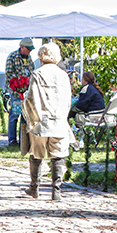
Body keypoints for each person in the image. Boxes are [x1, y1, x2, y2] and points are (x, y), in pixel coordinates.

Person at [21, 42, 72, 201]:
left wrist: (29, 115)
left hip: (41, 122)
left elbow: (31, 98)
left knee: (37, 154)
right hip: (59, 121)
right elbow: (68, 99)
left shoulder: (38, 74)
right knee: (58, 155)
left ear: (41, 56)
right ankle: (56, 191)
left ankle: (34, 188)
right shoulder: (64, 75)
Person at [5, 37, 36, 146]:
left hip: (27, 92)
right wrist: (19, 83)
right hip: (15, 92)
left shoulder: (29, 58)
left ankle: (22, 139)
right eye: (28, 49)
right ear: (22, 47)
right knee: (14, 115)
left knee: (25, 115)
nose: (29, 51)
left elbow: (32, 71)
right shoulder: (12, 57)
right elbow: (8, 74)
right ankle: (12, 140)